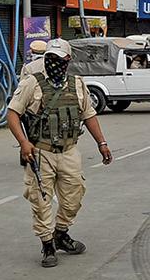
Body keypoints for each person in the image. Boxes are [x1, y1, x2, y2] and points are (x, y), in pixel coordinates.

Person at [6, 38, 112, 268]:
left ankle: (61, 232)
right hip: (41, 152)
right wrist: (24, 143)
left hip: (69, 150)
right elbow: (12, 114)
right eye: (50, 59)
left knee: (74, 195)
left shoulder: (77, 84)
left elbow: (88, 115)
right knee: (41, 199)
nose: (54, 63)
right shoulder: (31, 83)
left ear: (68, 60)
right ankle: (47, 244)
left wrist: (101, 143)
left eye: (59, 59)